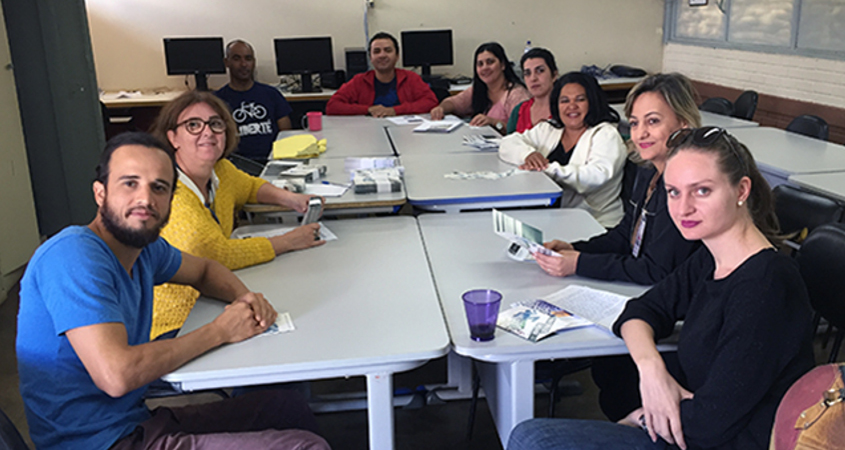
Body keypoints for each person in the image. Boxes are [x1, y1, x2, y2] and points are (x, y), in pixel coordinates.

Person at [16, 132, 330, 450]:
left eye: (159, 187)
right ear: (100, 193)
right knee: (304, 448)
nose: (145, 199)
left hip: (135, 423)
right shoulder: (74, 255)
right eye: (129, 183)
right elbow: (117, 375)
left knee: (284, 407)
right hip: (97, 444)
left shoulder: (144, 249)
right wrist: (220, 331)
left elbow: (206, 270)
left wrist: (245, 300)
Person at [507, 127, 815, 450]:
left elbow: (711, 424)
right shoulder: (712, 257)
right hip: (685, 424)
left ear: (741, 190)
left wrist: (640, 418)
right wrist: (651, 370)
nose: (683, 209)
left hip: (713, 441)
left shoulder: (767, 285)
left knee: (532, 439)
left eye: (702, 191)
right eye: (673, 192)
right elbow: (640, 310)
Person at [149, 90, 324, 339]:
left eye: (215, 124)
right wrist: (288, 241)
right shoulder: (170, 192)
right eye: (193, 125)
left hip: (216, 299)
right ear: (173, 137)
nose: (207, 132)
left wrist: (292, 199)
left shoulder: (220, 170)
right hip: (178, 323)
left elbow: (250, 186)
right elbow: (214, 255)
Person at [534, 73, 702, 284]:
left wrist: (579, 263)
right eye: (634, 123)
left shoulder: (685, 189)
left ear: (683, 124)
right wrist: (576, 249)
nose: (640, 134)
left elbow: (656, 270)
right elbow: (625, 235)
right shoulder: (648, 171)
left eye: (653, 121)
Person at [499, 72, 626, 227]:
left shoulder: (606, 134)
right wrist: (527, 155)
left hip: (595, 223)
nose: (571, 106)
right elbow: (508, 143)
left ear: (592, 102)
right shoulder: (549, 129)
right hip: (557, 217)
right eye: (564, 101)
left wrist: (546, 169)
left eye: (580, 99)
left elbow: (594, 176)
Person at [325, 31, 438, 117]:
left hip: (405, 134)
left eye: (388, 50)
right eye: (376, 51)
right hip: (368, 133)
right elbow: (332, 106)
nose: (382, 55)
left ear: (397, 56)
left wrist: (395, 110)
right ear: (370, 57)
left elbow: (430, 102)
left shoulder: (410, 78)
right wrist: (368, 109)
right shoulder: (359, 81)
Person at [215, 39, 293, 162]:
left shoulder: (271, 94)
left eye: (248, 58)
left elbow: (286, 134)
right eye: (236, 59)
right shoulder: (217, 101)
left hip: (273, 160)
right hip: (239, 164)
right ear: (226, 62)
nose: (243, 64)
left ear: (254, 62)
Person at [430, 42, 529, 133]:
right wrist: (441, 108)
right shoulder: (479, 90)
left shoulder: (516, 94)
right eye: (480, 64)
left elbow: (522, 131)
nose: (485, 67)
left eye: (490, 62)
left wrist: (493, 122)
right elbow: (454, 102)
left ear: (503, 65)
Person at [506, 48, 558, 134]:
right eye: (527, 73)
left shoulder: (565, 109)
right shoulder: (519, 111)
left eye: (540, 71)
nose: (533, 78)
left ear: (554, 75)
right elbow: (508, 143)